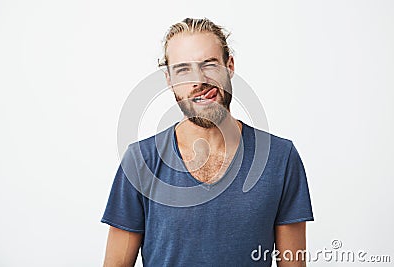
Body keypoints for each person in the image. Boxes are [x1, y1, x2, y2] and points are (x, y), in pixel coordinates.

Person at [101, 17, 314, 267]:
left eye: (209, 65)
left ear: (230, 66)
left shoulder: (280, 157)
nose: (198, 80)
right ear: (169, 79)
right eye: (183, 69)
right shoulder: (140, 161)